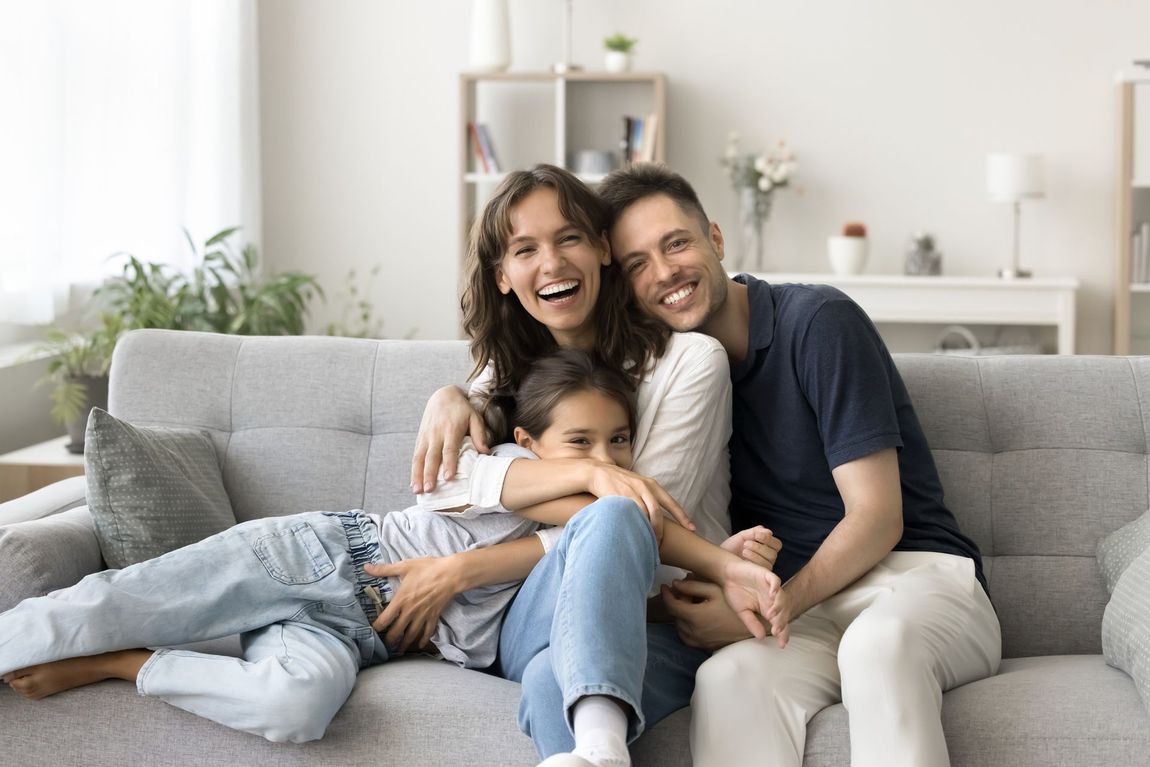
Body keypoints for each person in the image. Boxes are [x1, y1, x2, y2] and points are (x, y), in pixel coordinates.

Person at [0, 350, 778, 747]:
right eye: (583, 440)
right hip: (324, 553)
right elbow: (594, 507)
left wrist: (715, 559)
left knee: (294, 705)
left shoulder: (575, 532)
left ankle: (123, 664)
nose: (606, 455)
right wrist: (614, 479)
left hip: (361, 633)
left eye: (619, 440)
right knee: (112, 600)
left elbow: (592, 569)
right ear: (528, 442)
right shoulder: (487, 469)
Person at [598, 163, 1002, 767]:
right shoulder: (673, 376)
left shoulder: (816, 322)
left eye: (676, 243)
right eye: (636, 265)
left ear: (715, 238)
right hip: (807, 615)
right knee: (726, 680)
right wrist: (459, 398)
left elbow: (877, 517)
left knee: (877, 645)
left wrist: (773, 603)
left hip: (919, 582)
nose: (664, 273)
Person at [403, 165, 781, 767]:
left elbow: (638, 529)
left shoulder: (689, 362)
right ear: (503, 276)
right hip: (529, 609)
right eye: (526, 249)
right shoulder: (505, 369)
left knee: (557, 677)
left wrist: (463, 569)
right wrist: (451, 397)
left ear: (603, 248)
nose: (551, 263)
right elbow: (443, 488)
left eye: (569, 237)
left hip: (660, 613)